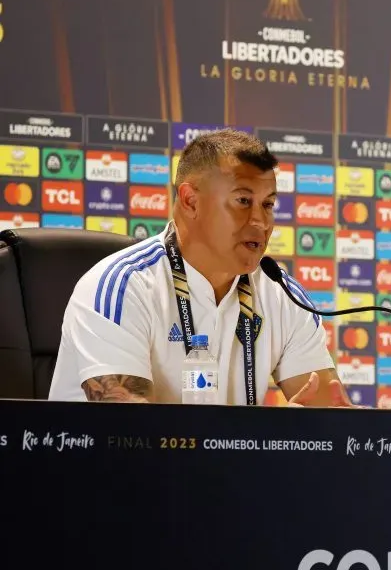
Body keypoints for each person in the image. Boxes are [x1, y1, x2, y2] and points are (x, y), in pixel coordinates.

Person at [48, 129, 350, 406]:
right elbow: (130, 438)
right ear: (190, 201)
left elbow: (330, 417)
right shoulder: (120, 287)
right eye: (243, 200)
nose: (261, 221)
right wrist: (265, 440)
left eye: (268, 204)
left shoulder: (283, 295)